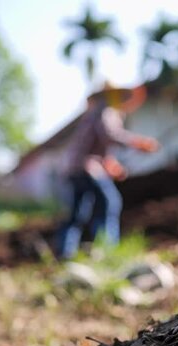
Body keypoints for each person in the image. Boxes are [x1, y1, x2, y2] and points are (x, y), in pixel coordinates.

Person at [55, 83, 159, 259]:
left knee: (77, 213)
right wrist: (138, 142)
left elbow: (96, 147)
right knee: (110, 203)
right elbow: (111, 135)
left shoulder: (92, 115)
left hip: (75, 169)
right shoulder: (106, 111)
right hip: (88, 168)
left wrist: (112, 166)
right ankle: (106, 250)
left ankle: (65, 252)